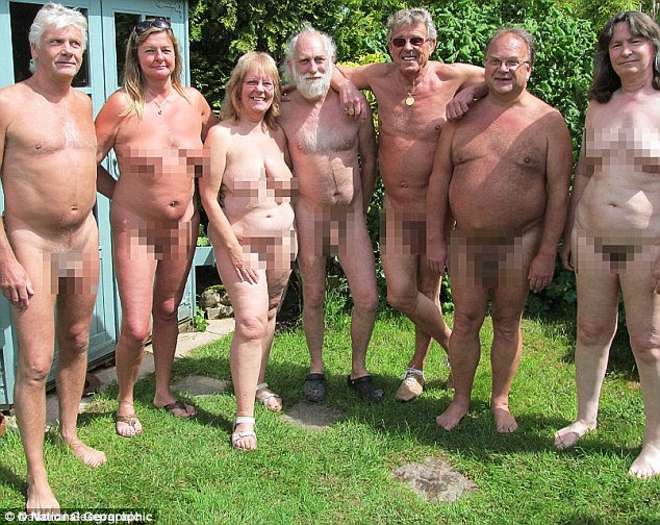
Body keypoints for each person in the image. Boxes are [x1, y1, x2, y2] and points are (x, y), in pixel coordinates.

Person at [333, 8, 484, 401]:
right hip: (396, 209)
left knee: (427, 291)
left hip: (436, 211)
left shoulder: (451, 77)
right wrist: (346, 88)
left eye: (417, 40)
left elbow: (498, 75)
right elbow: (327, 68)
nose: (408, 48)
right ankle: (454, 346)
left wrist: (470, 94)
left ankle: (416, 370)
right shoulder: (378, 77)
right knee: (401, 294)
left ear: (431, 44)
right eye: (399, 41)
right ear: (389, 46)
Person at [427, 28, 571, 432]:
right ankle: (459, 399)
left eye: (512, 62)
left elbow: (559, 193)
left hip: (520, 242)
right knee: (466, 319)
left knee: (508, 321)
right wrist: (435, 238)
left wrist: (546, 252)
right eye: (495, 61)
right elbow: (439, 179)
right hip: (466, 240)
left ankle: (500, 401)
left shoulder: (548, 122)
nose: (503, 69)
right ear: (484, 65)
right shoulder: (461, 117)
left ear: (528, 68)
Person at [0, 3, 106, 511]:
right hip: (32, 243)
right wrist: (5, 258)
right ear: (34, 47)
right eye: (57, 42)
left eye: (75, 43)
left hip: (81, 238)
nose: (68, 50)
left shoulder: (84, 104)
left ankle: (69, 432)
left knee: (79, 339)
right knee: (36, 362)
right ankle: (36, 476)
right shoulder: (8, 103)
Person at [95, 17, 214, 437]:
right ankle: (126, 401)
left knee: (167, 310)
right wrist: (121, 195)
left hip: (183, 223)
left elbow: (220, 145)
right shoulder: (121, 104)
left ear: (175, 54)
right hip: (136, 226)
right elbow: (86, 162)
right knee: (135, 324)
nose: (159, 57)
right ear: (137, 56)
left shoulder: (195, 102)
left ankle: (163, 391)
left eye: (165, 49)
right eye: (150, 51)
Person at [554, 11, 660, 479]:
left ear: (653, 47)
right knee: (591, 330)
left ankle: (655, 442)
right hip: (593, 238)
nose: (625, 51)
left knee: (650, 343)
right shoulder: (599, 104)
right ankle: (585, 417)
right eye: (616, 44)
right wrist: (572, 231)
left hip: (647, 244)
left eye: (635, 42)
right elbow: (585, 170)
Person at [200, 52, 296, 450]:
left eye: (267, 83)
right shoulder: (221, 135)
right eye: (252, 82)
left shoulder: (278, 135)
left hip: (282, 242)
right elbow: (208, 197)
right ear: (237, 88)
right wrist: (234, 250)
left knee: (270, 313)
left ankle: (257, 382)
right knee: (252, 323)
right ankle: (243, 418)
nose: (260, 89)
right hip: (242, 244)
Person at [278, 28, 380, 402]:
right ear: (292, 66)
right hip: (310, 216)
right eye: (304, 61)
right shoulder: (283, 108)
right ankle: (316, 368)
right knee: (314, 294)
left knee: (367, 297)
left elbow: (370, 159)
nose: (313, 67)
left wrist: (360, 206)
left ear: (331, 62)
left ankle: (359, 369)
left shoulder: (352, 102)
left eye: (320, 59)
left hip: (350, 218)